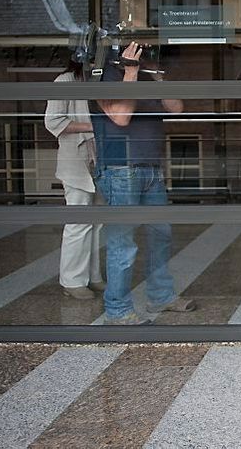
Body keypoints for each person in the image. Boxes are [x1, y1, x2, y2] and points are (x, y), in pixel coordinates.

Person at [93, 41, 195, 325]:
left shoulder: (149, 74)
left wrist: (157, 72)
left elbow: (176, 108)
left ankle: (161, 296)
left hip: (151, 168)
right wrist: (131, 72)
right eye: (138, 48)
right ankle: (117, 311)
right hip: (120, 168)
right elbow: (121, 117)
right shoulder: (105, 76)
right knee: (122, 242)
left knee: (161, 234)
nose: (144, 53)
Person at [44, 57, 105, 300]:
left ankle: (93, 276)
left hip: (98, 158)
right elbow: (53, 121)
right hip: (76, 160)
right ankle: (72, 281)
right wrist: (93, 127)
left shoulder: (96, 80)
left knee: (98, 221)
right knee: (79, 221)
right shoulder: (65, 81)